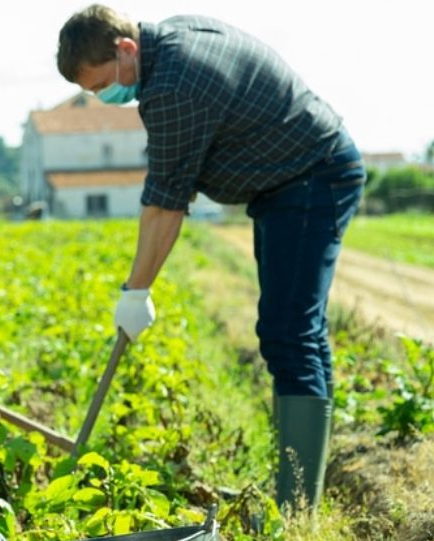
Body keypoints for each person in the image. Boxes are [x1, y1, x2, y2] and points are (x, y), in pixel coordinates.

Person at [56, 5, 366, 510]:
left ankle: (296, 508)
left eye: (101, 85)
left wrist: (136, 291)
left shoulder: (176, 87)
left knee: (290, 333)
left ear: (125, 49)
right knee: (294, 332)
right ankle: (301, 486)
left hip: (312, 178)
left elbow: (164, 204)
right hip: (288, 182)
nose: (102, 99)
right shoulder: (171, 40)